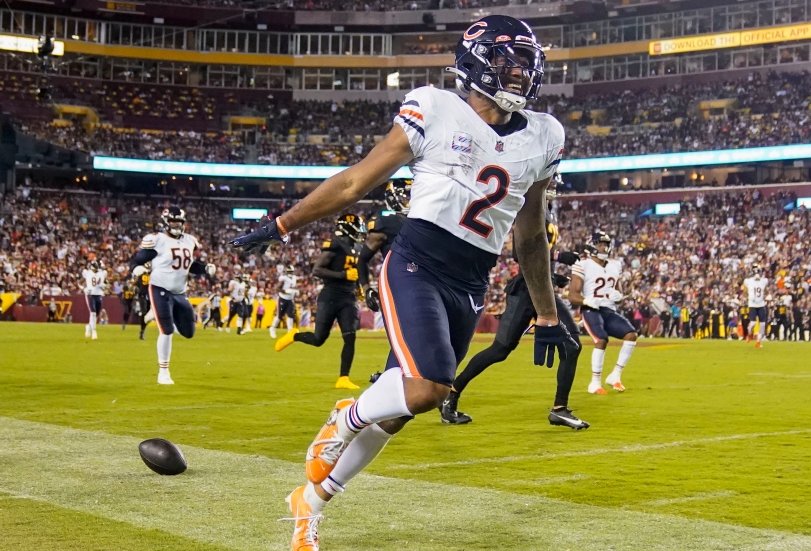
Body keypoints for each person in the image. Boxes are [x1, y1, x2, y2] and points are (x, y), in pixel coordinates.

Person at [230, 15, 574, 550]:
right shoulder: (435, 108)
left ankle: (308, 507)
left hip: (471, 281)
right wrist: (281, 224)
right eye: (509, 63)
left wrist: (548, 313)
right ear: (478, 60)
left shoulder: (544, 134)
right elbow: (353, 182)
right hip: (416, 261)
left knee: (396, 417)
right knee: (429, 387)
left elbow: (530, 239)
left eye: (526, 65)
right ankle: (344, 417)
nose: (519, 75)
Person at [443, 177, 587, 429]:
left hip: (542, 289)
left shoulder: (547, 213)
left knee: (573, 346)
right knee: (500, 350)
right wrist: (557, 256)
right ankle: (452, 392)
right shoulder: (530, 209)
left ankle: (559, 409)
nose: (553, 189)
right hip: (526, 289)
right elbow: (519, 252)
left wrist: (552, 274)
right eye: (551, 185)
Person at [274, 214, 365, 390]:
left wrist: (360, 288)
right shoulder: (335, 244)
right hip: (330, 296)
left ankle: (343, 378)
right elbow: (317, 270)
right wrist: (342, 275)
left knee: (350, 336)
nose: (360, 232)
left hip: (348, 298)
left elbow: (355, 272)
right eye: (357, 227)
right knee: (318, 339)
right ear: (348, 227)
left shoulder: (358, 247)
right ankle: (294, 335)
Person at [129, 207, 215, 385]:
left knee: (189, 332)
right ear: (166, 222)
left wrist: (205, 268)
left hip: (179, 291)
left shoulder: (190, 241)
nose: (176, 225)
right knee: (166, 331)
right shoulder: (158, 240)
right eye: (173, 222)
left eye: (179, 222)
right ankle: (163, 372)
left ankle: (160, 318)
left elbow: (190, 265)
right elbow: (137, 259)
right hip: (160, 288)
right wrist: (137, 269)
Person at [569, 232, 637, 394]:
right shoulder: (582, 264)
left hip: (608, 309)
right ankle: (595, 382)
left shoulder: (615, 265)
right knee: (601, 339)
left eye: (606, 244)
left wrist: (619, 297)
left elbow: (617, 291)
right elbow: (573, 295)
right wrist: (586, 301)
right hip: (591, 309)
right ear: (592, 245)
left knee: (631, 335)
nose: (604, 248)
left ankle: (615, 375)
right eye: (601, 244)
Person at [357, 181, 410, 313]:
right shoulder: (386, 222)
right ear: (393, 199)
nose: (410, 200)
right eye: (406, 196)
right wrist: (366, 288)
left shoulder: (425, 220)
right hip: (400, 284)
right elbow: (362, 259)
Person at [742, 264, 769, 348]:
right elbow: (745, 288)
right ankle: (749, 333)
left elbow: (766, 290)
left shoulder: (764, 281)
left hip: (761, 304)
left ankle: (758, 341)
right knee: (753, 323)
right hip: (752, 304)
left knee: (762, 325)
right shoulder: (749, 281)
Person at [270, 265, 299, 338]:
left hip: (290, 299)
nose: (290, 273)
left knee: (291, 315)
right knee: (280, 316)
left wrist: (295, 291)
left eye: (291, 272)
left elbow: (293, 287)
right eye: (289, 272)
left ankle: (290, 331)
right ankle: (272, 328)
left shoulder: (294, 278)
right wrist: (285, 291)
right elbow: (277, 289)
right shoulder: (283, 278)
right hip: (282, 298)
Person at [82, 260, 107, 340]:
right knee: (92, 313)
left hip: (99, 294)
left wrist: (104, 285)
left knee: (96, 314)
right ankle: (94, 331)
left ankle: (88, 327)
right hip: (91, 294)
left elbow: (104, 283)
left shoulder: (101, 273)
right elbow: (80, 282)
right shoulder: (87, 273)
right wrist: (84, 288)